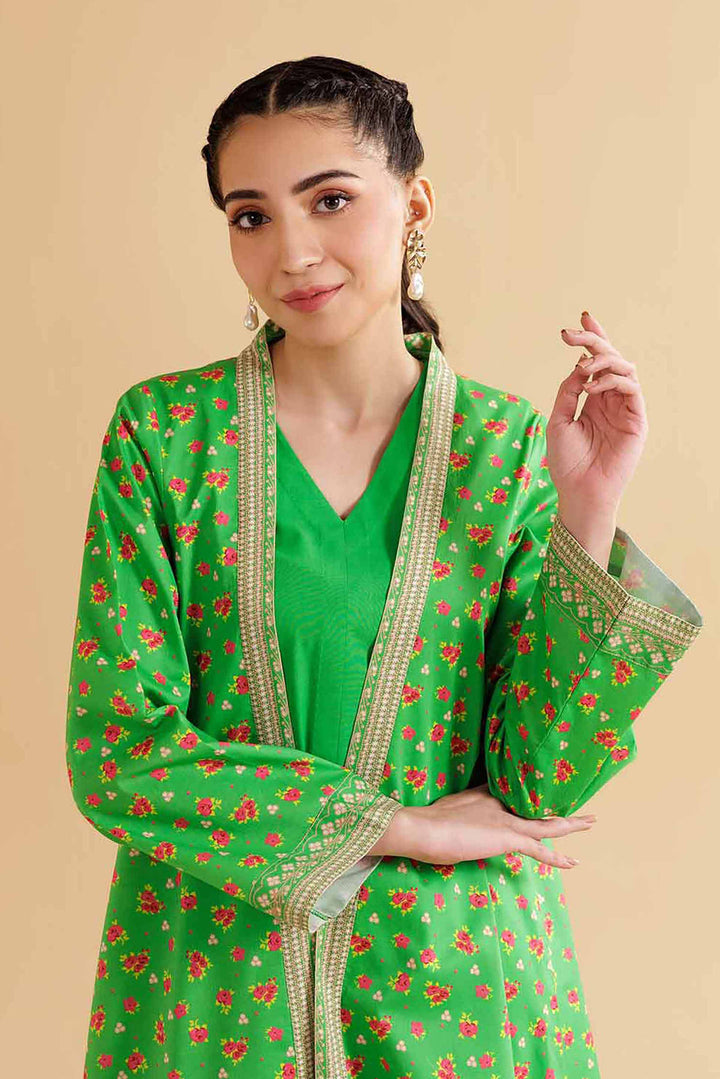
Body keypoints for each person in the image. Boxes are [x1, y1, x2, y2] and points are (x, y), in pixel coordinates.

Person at [65, 55, 703, 1079]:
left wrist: (587, 514)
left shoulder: (500, 448)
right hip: (218, 991)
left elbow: (540, 778)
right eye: (250, 216)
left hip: (462, 992)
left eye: (330, 199)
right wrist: (396, 826)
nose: (292, 251)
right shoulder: (166, 436)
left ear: (415, 203)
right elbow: (120, 750)